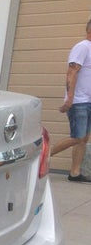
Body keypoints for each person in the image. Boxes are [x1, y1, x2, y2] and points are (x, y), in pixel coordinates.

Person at [51, 19, 91, 183]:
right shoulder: (82, 47)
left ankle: (74, 173)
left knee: (84, 139)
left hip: (89, 101)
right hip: (79, 101)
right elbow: (71, 72)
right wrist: (69, 98)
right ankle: (42, 155)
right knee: (76, 136)